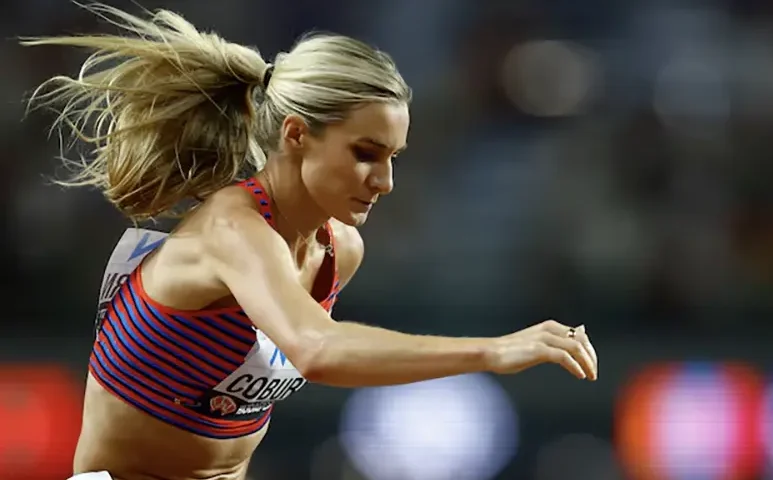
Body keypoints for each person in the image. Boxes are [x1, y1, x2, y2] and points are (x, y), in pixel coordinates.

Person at [22, 4, 599, 480]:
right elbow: (317, 350)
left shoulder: (340, 250)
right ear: (297, 135)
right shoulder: (232, 228)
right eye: (365, 153)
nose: (386, 182)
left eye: (393, 158)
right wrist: (494, 351)